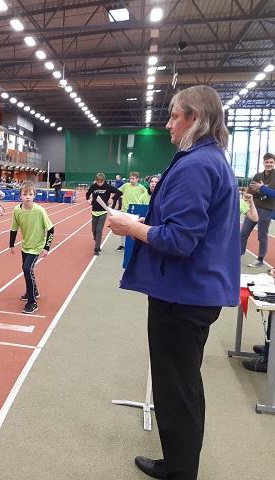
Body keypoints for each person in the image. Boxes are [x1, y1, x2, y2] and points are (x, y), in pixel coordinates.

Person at [109, 85, 239, 480]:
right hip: (193, 292)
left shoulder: (196, 165)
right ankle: (180, 463)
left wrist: (132, 227)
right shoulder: (211, 159)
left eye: (174, 116)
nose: (168, 124)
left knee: (176, 389)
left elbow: (180, 239)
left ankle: (181, 471)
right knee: (183, 386)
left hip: (182, 296)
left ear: (195, 119)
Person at [9, 181, 54, 314]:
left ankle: (32, 302)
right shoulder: (17, 210)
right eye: (25, 194)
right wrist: (11, 244)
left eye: (30, 194)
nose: (27, 197)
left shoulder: (39, 210)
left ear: (34, 195)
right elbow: (14, 228)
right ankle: (33, 291)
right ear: (20, 196)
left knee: (27, 268)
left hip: (36, 247)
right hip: (25, 246)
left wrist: (46, 247)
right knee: (27, 270)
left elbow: (51, 229)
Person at [241, 153, 275, 267]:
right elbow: (251, 191)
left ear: (274, 163)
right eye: (267, 162)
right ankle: (238, 254)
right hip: (254, 208)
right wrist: (248, 193)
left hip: (267, 209)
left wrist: (261, 188)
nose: (269, 164)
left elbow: (273, 194)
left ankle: (260, 259)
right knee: (243, 233)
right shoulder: (257, 176)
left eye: (271, 162)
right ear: (263, 163)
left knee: (262, 235)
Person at [86, 172, 122, 255]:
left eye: (101, 181)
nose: (99, 183)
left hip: (103, 211)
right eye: (98, 181)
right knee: (94, 230)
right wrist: (88, 200)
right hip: (94, 211)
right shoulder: (93, 186)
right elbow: (88, 194)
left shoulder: (108, 187)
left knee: (99, 230)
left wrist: (112, 199)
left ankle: (97, 248)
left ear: (104, 180)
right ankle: (97, 240)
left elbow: (119, 192)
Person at [117, 171, 147, 250]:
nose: (131, 180)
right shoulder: (125, 185)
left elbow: (147, 194)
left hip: (135, 211)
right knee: (123, 227)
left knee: (134, 229)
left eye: (133, 179)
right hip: (125, 210)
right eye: (130, 178)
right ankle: (122, 244)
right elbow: (118, 192)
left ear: (137, 179)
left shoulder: (141, 187)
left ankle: (134, 244)